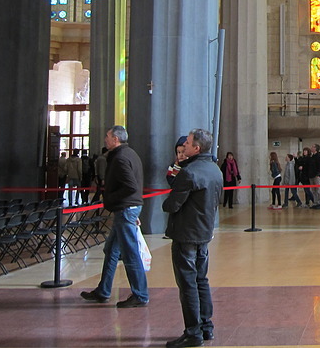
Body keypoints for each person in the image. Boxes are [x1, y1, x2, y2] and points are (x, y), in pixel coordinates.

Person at [162, 128, 223, 348]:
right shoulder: (215, 169)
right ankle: (206, 327)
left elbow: (171, 204)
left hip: (186, 233)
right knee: (201, 279)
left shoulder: (189, 172)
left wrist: (169, 200)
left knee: (188, 283)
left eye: (187, 143)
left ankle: (193, 332)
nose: (183, 146)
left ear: (196, 148)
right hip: (204, 232)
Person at [80, 125, 149, 308]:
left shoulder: (120, 158)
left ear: (116, 139)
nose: (105, 139)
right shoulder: (129, 154)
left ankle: (140, 294)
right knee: (111, 250)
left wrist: (110, 199)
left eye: (108, 136)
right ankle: (103, 290)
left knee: (130, 252)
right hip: (127, 209)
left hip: (125, 209)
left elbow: (131, 186)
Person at [308, 144, 320, 209]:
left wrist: (318, 174)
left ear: (316, 148)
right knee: (313, 190)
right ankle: (315, 202)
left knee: (318, 189)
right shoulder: (312, 156)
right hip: (311, 175)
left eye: (312, 147)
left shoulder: (319, 156)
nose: (311, 147)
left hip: (316, 175)